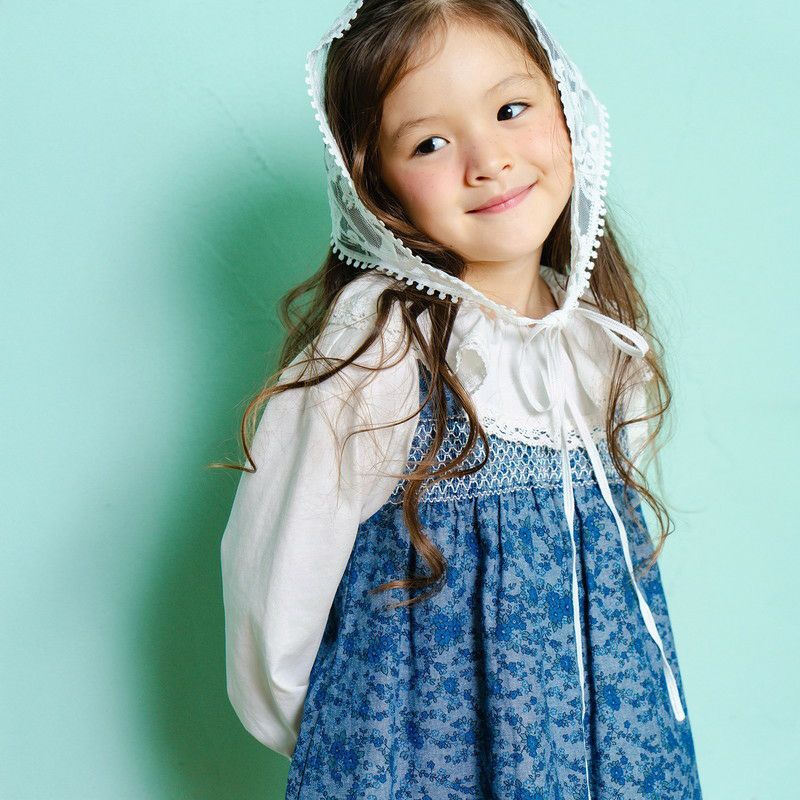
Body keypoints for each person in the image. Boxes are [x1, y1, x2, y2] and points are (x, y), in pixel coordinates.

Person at [217, 0, 703, 797]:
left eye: (511, 110)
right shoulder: (379, 350)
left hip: (610, 758)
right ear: (379, 186)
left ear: (566, 106)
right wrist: (361, 746)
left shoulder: (601, 341)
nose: (489, 161)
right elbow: (274, 596)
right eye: (430, 143)